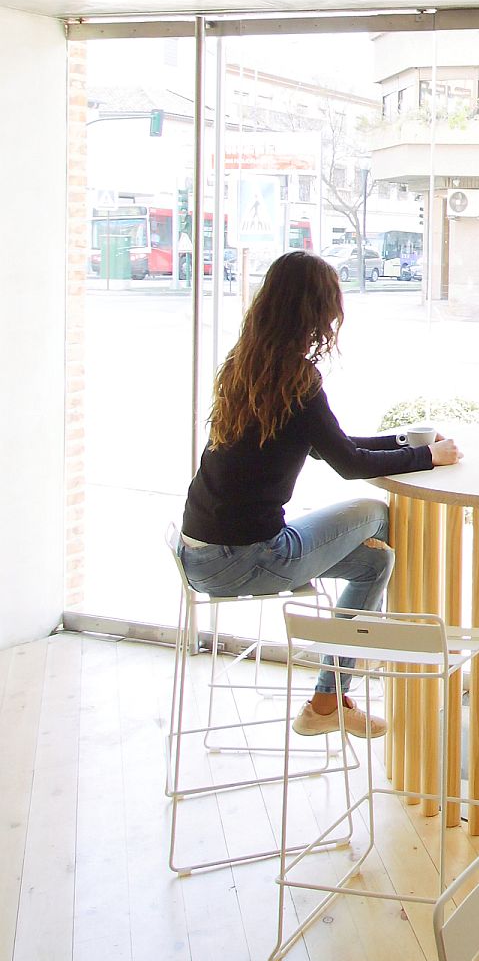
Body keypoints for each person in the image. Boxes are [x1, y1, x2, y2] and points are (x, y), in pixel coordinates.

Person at [178, 249, 460, 737]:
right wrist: (426, 459)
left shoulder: (248, 368)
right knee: (374, 513)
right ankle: (405, 651)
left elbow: (329, 444)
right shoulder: (297, 379)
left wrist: (403, 442)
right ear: (316, 312)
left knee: (375, 562)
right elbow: (349, 464)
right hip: (251, 556)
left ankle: (328, 700)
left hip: (199, 555)